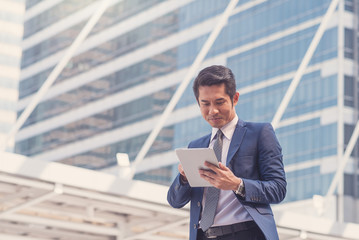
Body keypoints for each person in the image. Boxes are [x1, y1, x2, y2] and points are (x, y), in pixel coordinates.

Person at [167, 65, 286, 240]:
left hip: (248, 233)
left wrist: (237, 184)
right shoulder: (196, 146)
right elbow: (174, 201)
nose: (212, 111)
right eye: (205, 104)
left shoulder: (260, 133)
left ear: (235, 98)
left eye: (219, 102)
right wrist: (184, 178)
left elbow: (278, 189)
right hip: (204, 235)